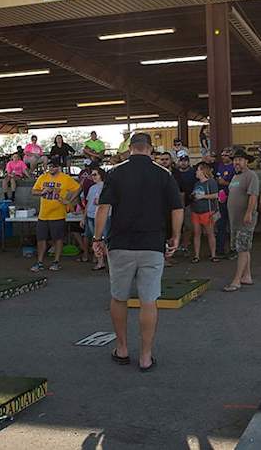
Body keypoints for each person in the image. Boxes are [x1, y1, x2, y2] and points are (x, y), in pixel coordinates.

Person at [92, 132, 183, 373]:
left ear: (130, 148)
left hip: (120, 243)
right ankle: (145, 356)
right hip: (152, 244)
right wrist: (175, 235)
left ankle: (122, 349)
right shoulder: (163, 174)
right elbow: (177, 208)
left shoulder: (115, 173)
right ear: (150, 150)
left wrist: (97, 238)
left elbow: (103, 207)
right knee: (148, 301)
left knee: (119, 297)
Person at [30, 158, 80, 272]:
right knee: (41, 239)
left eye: (54, 166)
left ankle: (56, 261)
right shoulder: (43, 177)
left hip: (58, 215)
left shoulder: (65, 178)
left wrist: (69, 200)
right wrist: (43, 191)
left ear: (58, 167)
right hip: (43, 214)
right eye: (50, 166)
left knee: (58, 239)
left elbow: (78, 188)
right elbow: (34, 191)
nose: (51, 168)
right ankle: (39, 262)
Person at [221, 150, 260, 291]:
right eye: (235, 160)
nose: (236, 162)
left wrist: (249, 213)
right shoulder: (235, 177)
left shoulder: (251, 176)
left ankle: (236, 280)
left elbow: (253, 196)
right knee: (243, 248)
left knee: (242, 249)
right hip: (235, 219)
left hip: (245, 219)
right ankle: (247, 276)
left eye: (240, 160)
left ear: (246, 161)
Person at [189, 163, 219, 264]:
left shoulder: (211, 182)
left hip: (207, 211)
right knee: (197, 234)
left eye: (198, 170)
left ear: (203, 171)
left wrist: (203, 197)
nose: (196, 172)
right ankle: (196, 255)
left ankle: (213, 254)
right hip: (196, 210)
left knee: (210, 233)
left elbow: (216, 195)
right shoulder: (197, 184)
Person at [83, 167, 108, 271]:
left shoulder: (106, 187)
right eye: (92, 175)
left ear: (100, 175)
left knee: (104, 240)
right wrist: (83, 217)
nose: (92, 177)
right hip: (91, 215)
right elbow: (88, 203)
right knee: (96, 240)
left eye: (95, 175)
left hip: (103, 216)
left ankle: (108, 262)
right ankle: (100, 262)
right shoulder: (92, 188)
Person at [213, 148, 236, 259]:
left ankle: (234, 249)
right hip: (221, 198)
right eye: (222, 155)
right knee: (221, 224)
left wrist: (225, 183)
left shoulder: (234, 167)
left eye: (226, 155)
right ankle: (220, 249)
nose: (223, 157)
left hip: (232, 198)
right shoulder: (219, 166)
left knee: (233, 224)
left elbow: (237, 183)